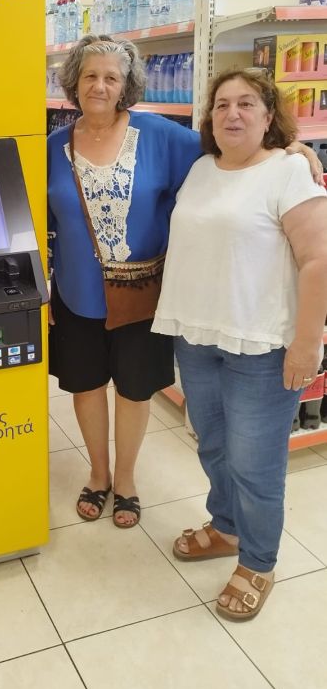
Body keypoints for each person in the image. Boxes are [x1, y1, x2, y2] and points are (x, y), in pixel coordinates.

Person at [153, 68, 327, 621]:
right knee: (214, 446)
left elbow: (318, 260)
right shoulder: (202, 168)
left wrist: (307, 344)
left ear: (269, 115)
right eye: (222, 104)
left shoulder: (289, 172)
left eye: (246, 103)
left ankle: (258, 562)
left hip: (263, 345)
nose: (232, 113)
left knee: (255, 464)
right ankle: (227, 528)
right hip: (199, 336)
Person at [48, 34, 202, 527]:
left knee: (134, 390)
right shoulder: (52, 147)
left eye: (111, 77)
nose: (99, 86)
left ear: (126, 85)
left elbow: (228, 151)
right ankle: (98, 474)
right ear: (73, 82)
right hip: (75, 294)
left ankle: (128, 479)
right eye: (90, 76)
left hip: (141, 295)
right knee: (87, 386)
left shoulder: (160, 135)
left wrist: (291, 150)